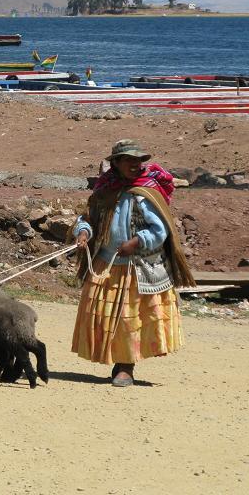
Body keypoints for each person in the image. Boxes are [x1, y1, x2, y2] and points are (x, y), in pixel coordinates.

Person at [72, 139, 195, 387]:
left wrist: (137, 241)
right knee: (106, 318)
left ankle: (126, 367)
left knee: (129, 319)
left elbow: (160, 230)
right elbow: (89, 219)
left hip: (136, 268)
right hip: (106, 264)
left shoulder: (146, 193)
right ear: (115, 163)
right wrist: (83, 233)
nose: (135, 165)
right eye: (129, 160)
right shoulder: (105, 192)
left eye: (138, 160)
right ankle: (116, 360)